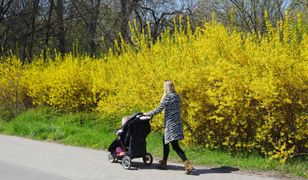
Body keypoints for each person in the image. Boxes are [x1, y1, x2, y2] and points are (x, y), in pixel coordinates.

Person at [144, 80, 194, 175]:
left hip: (170, 125)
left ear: (166, 87)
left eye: (164, 87)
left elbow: (159, 109)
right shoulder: (177, 96)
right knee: (165, 143)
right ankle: (164, 162)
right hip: (176, 124)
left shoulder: (167, 97)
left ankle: (188, 165)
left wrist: (147, 114)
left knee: (175, 146)